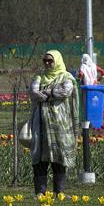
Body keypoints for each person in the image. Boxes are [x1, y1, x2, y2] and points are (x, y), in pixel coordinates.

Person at [29, 50, 77, 196]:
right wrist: (53, 94)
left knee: (59, 156)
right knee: (40, 157)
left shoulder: (66, 76)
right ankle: (40, 192)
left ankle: (59, 192)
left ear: (57, 61)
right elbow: (33, 92)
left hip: (60, 123)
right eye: (45, 61)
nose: (48, 63)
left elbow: (66, 91)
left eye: (50, 61)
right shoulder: (39, 77)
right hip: (41, 123)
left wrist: (47, 93)